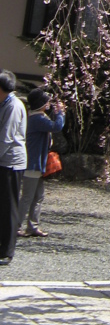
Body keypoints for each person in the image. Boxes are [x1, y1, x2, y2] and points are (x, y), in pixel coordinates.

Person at [17, 88, 65, 239]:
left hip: (36, 164)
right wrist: (60, 113)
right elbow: (56, 126)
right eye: (46, 102)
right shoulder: (37, 119)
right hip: (33, 164)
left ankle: (33, 225)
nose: (48, 104)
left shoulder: (36, 117)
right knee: (28, 197)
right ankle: (15, 225)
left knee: (38, 196)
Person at [0, 69, 27, 265]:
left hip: (11, 162)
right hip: (3, 160)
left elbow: (6, 138)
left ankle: (7, 251)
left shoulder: (13, 106)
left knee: (8, 206)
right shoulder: (4, 104)